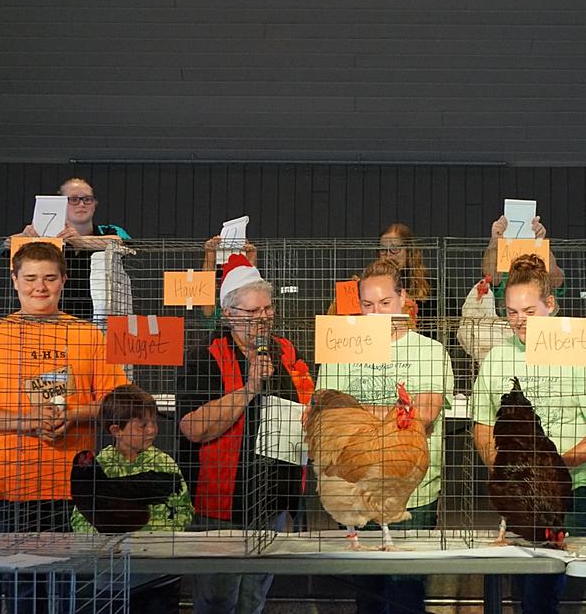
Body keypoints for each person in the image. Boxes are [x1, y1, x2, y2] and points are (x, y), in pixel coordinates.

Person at [0, 241, 127, 610]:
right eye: (30, 278)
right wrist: (23, 423)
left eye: (48, 278)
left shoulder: (88, 336)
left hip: (74, 490)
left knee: (72, 594)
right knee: (17, 596)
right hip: (9, 487)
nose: (39, 288)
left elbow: (117, 403)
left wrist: (71, 415)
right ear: (14, 281)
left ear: (64, 280)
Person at [472, 255, 586, 614]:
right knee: (523, 576)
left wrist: (551, 465)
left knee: (542, 579)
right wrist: (507, 468)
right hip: (519, 485)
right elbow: (481, 426)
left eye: (529, 310)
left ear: (550, 305)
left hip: (576, 481)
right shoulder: (497, 359)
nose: (519, 320)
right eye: (511, 312)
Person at [177, 254, 314, 614]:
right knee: (218, 598)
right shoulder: (204, 357)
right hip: (222, 503)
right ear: (229, 314)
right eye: (253, 312)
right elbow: (191, 427)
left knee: (254, 597)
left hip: (275, 500)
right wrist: (249, 388)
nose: (264, 318)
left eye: (268, 309)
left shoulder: (287, 352)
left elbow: (307, 399)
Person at [315, 258, 453, 614]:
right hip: (353, 487)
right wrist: (393, 412)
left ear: (403, 298)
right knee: (367, 594)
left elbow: (424, 413)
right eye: (368, 305)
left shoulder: (429, 350)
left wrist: (357, 412)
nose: (376, 313)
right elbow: (324, 412)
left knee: (405, 592)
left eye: (385, 303)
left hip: (410, 491)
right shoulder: (341, 347)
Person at [70, 384, 193, 614]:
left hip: (159, 571)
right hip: (111, 574)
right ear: (116, 430)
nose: (152, 430)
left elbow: (183, 508)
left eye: (154, 422)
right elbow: (81, 517)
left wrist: (163, 537)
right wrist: (104, 544)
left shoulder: (164, 462)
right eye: (143, 425)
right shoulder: (100, 466)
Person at [8, 177, 131, 320]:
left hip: (100, 317)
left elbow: (125, 242)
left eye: (87, 199)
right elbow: (3, 247)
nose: (81, 204)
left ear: (95, 204)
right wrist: (23, 236)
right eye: (73, 199)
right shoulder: (45, 235)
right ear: (60, 204)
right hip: (51, 316)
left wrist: (81, 242)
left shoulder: (110, 230)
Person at [329, 223, 435, 330]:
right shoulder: (368, 282)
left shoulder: (429, 283)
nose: (388, 254)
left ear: (409, 251)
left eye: (395, 248)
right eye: (383, 249)